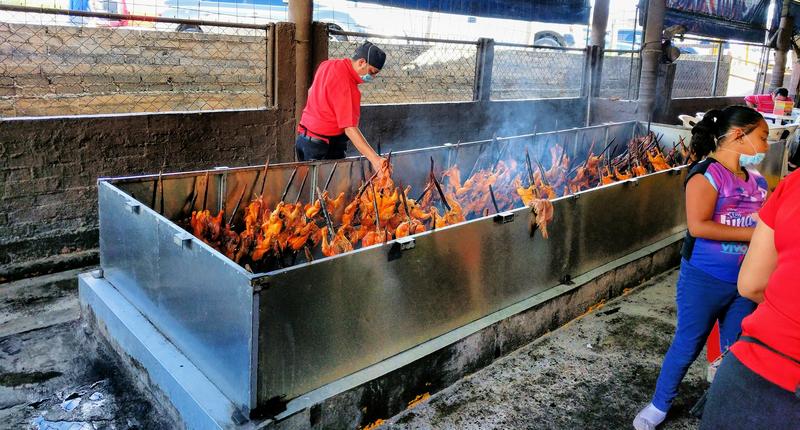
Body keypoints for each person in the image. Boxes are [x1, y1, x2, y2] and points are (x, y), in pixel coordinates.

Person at [633, 106, 770, 430]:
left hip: (745, 283)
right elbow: (698, 226)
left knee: (735, 349)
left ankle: (721, 404)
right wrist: (756, 234)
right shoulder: (706, 174)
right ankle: (659, 404)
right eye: (761, 137)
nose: (765, 146)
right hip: (704, 279)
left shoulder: (759, 181)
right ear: (739, 135)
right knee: (689, 342)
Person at [699, 171, 800, 428]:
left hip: (746, 379)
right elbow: (697, 225)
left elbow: (753, 285)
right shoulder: (706, 176)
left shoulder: (791, 183)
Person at [295, 41, 387, 173]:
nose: (371, 77)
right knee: (326, 191)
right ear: (361, 62)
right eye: (372, 72)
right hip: (322, 147)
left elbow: (311, 91)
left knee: (306, 185)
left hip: (303, 139)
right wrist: (375, 160)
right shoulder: (348, 86)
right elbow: (349, 128)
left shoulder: (328, 64)